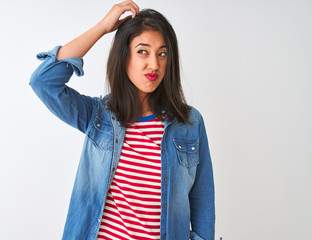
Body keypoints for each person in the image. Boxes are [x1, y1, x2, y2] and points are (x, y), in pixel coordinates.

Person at [29, 1, 215, 239]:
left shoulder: (189, 123)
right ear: (124, 55)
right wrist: (102, 28)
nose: (154, 64)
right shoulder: (99, 116)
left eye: (162, 53)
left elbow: (203, 205)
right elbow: (43, 82)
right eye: (142, 51)